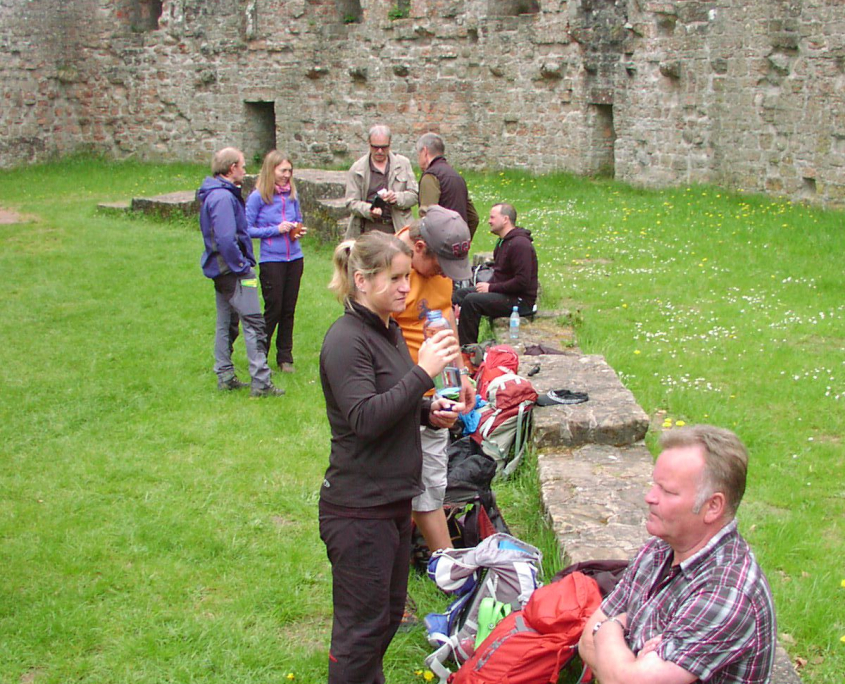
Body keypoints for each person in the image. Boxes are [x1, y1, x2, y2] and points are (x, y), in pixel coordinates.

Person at [319, 232, 464, 683]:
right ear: (362, 281)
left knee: (383, 620)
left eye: (406, 277)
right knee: (360, 634)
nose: (406, 287)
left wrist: (427, 412)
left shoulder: (388, 329)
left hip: (393, 502)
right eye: (395, 278)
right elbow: (364, 418)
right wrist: (424, 372)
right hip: (359, 509)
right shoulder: (347, 341)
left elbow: (392, 400)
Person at [578, 425, 776, 684]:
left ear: (713, 506)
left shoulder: (727, 592)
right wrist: (625, 663)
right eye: (654, 485)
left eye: (668, 491)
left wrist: (607, 630)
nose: (649, 497)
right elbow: (586, 642)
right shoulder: (659, 550)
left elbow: (623, 677)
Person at [393, 206, 476, 553]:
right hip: (399, 395)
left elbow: (444, 317)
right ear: (419, 248)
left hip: (436, 395)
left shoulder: (440, 265)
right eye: (441, 265)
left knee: (431, 481)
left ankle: (441, 559)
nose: (445, 273)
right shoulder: (388, 269)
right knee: (403, 482)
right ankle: (445, 562)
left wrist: (461, 372)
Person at [197, 147, 284, 397]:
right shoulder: (223, 198)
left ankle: (225, 375)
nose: (245, 171)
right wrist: (242, 267)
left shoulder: (214, 193)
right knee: (254, 323)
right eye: (243, 166)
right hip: (233, 272)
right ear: (232, 168)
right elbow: (226, 239)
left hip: (220, 270)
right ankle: (261, 382)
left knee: (226, 322)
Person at [246, 150, 307, 373]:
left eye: (289, 171)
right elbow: (246, 229)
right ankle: (260, 355)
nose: (287, 175)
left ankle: (285, 357)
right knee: (274, 309)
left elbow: (297, 219)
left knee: (288, 309)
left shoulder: (292, 195)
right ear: (271, 170)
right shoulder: (258, 197)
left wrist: (297, 231)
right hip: (272, 260)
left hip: (295, 258)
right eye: (283, 171)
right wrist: (276, 229)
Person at [452, 203, 538, 346]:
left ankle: (467, 348)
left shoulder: (520, 244)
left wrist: (491, 288)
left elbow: (522, 282)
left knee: (472, 301)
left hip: (520, 301)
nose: (489, 221)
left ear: (505, 219)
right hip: (504, 293)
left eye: (492, 217)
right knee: (459, 295)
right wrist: (490, 286)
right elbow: (501, 273)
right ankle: (451, 339)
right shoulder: (503, 242)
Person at [344, 124, 419, 237]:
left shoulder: (403, 164)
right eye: (375, 147)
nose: (379, 151)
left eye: (384, 147)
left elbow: (414, 195)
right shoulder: (357, 169)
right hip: (368, 230)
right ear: (369, 143)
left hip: (398, 229)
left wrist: (396, 198)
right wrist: (369, 210)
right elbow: (351, 202)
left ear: (390, 144)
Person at [416, 132, 479, 237]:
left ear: (425, 151)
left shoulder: (431, 176)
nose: (418, 159)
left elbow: (427, 218)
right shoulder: (457, 177)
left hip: (439, 243)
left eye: (418, 154)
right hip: (459, 243)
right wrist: (464, 240)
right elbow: (473, 218)